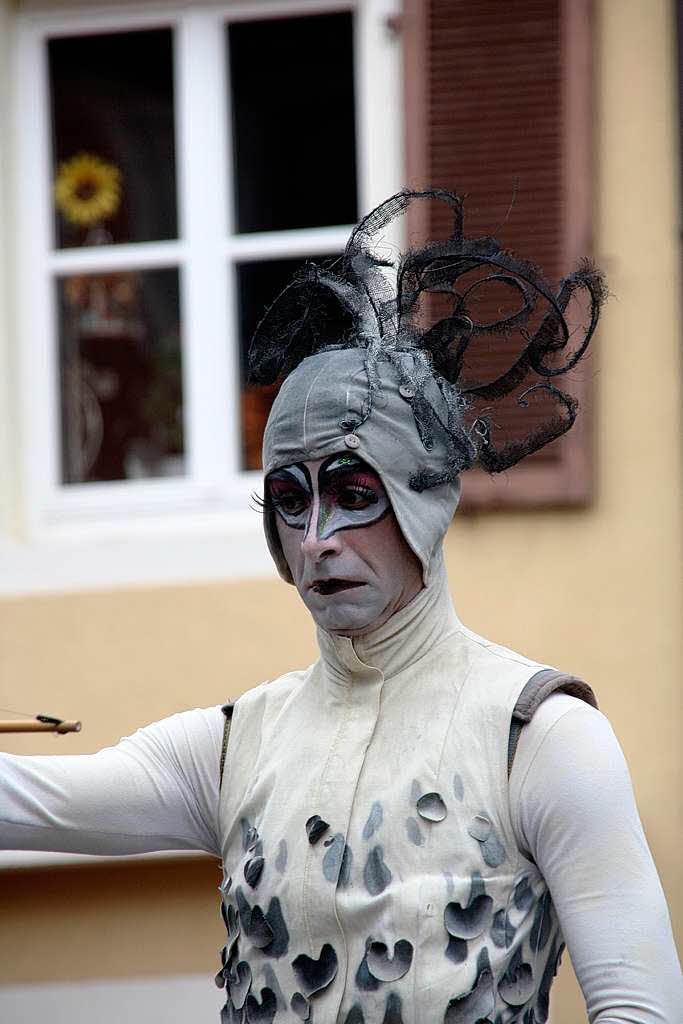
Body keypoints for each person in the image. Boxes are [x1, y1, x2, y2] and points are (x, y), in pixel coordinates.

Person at [1, 191, 680, 1023]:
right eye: (289, 499)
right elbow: (31, 800)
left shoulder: (540, 740)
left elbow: (641, 1008)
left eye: (353, 491)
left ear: (420, 499)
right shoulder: (229, 746)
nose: (317, 536)